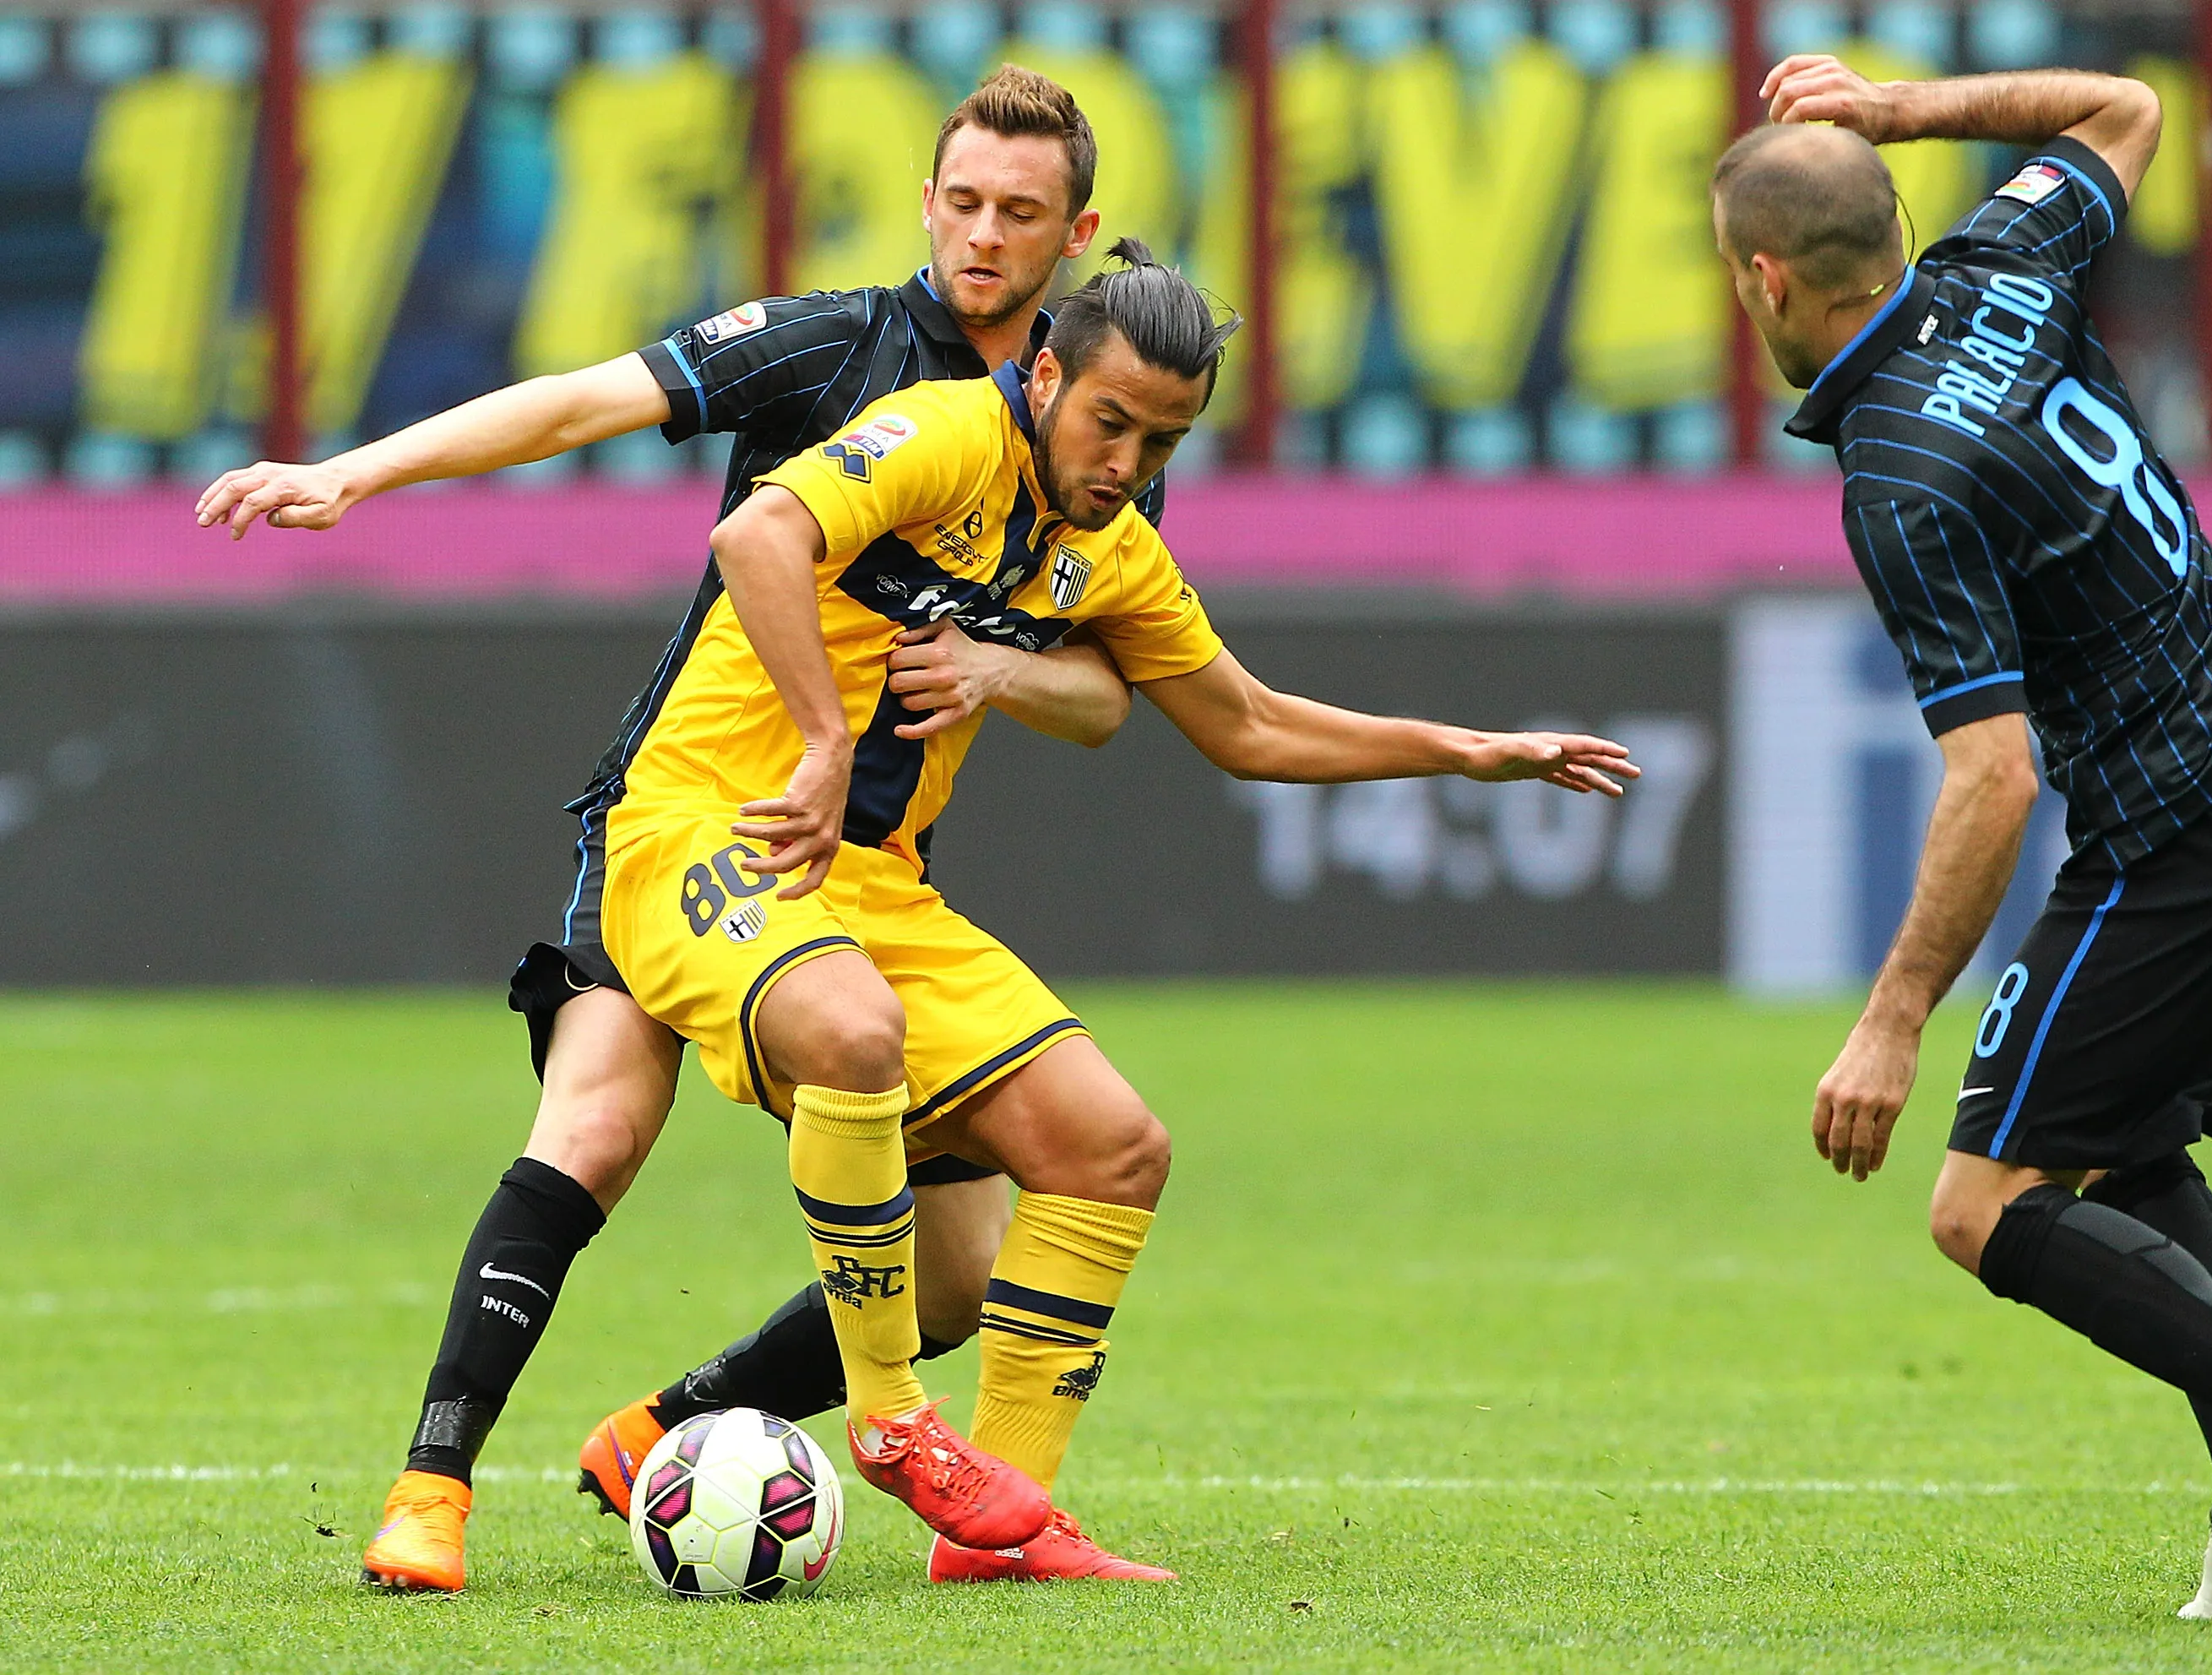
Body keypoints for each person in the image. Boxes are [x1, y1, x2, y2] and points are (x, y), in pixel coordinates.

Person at [195, 66, 1147, 1593]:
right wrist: (352, 470)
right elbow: (585, 398)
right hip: (694, 815)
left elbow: (1115, 674)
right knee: (594, 1129)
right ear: (925, 199)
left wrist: (997, 670)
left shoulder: (1089, 405)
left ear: (1075, 231)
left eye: (1019, 213)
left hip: (863, 873)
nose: (983, 234)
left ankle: (669, 1429)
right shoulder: (838, 340)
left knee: (961, 1271)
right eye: (961, 201)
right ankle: (427, 1493)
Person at [594, 237, 1636, 1584]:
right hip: (707, 827)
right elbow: (757, 533)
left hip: (873, 881)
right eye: (1111, 420)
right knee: (856, 1032)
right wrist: (818, 738)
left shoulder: (1110, 551)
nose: (1130, 461)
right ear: (1040, 374)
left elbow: (1250, 725)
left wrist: (1472, 749)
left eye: (1164, 440)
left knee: (1113, 1144)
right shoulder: (944, 430)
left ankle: (1007, 1531)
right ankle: (892, 1416)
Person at [1714, 57, 2212, 1633]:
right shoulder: (1993, 265)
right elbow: (2120, 110)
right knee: (2114, 1146)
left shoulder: (1901, 473)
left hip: (2196, 824)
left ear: (1764, 279)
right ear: (1894, 219)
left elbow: (1991, 780)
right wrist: (1897, 106)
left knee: (1982, 1204)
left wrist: (1891, 1019)